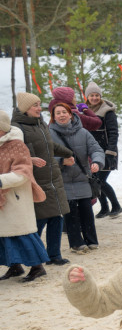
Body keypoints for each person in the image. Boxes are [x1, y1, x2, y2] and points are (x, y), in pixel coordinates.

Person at [11, 92, 73, 267]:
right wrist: (29, 160)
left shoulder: (40, 123)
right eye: (35, 105)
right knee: (39, 220)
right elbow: (15, 154)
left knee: (57, 217)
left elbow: (49, 146)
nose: (39, 108)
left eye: (39, 104)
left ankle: (54, 255)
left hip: (53, 177)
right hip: (36, 180)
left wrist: (67, 152)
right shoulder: (17, 128)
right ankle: (31, 257)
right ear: (25, 109)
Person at [48, 99, 105, 254]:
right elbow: (45, 158)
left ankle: (91, 241)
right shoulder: (49, 134)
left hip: (82, 178)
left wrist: (97, 162)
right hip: (63, 180)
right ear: (53, 116)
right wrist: (61, 161)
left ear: (70, 114)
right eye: (57, 113)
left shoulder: (83, 132)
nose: (61, 115)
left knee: (87, 211)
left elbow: (96, 150)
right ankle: (76, 244)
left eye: (64, 112)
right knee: (71, 214)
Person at [0, 111, 49, 282]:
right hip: (2, 201)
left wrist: (1, 181)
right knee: (5, 235)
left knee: (22, 234)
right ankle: (14, 266)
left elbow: (23, 172)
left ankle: (37, 268)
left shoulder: (17, 145)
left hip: (16, 197)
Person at [84, 81, 122, 218]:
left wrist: (110, 151)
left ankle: (116, 205)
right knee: (95, 179)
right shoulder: (85, 111)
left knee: (100, 180)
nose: (94, 98)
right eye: (91, 95)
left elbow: (113, 132)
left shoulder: (107, 111)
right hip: (93, 152)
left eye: (97, 95)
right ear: (87, 97)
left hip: (106, 152)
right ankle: (105, 207)